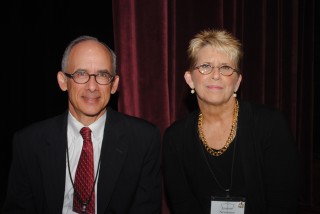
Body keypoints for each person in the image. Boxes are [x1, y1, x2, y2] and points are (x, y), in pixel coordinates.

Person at [2, 35, 162, 214]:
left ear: (114, 84)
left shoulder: (143, 140)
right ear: (63, 81)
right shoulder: (28, 143)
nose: (92, 86)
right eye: (81, 74)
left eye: (102, 74)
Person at [162, 29, 299, 214]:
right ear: (190, 79)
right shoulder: (175, 138)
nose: (216, 75)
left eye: (226, 67)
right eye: (205, 66)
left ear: (237, 82)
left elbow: (283, 203)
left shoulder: (270, 124)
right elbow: (183, 206)